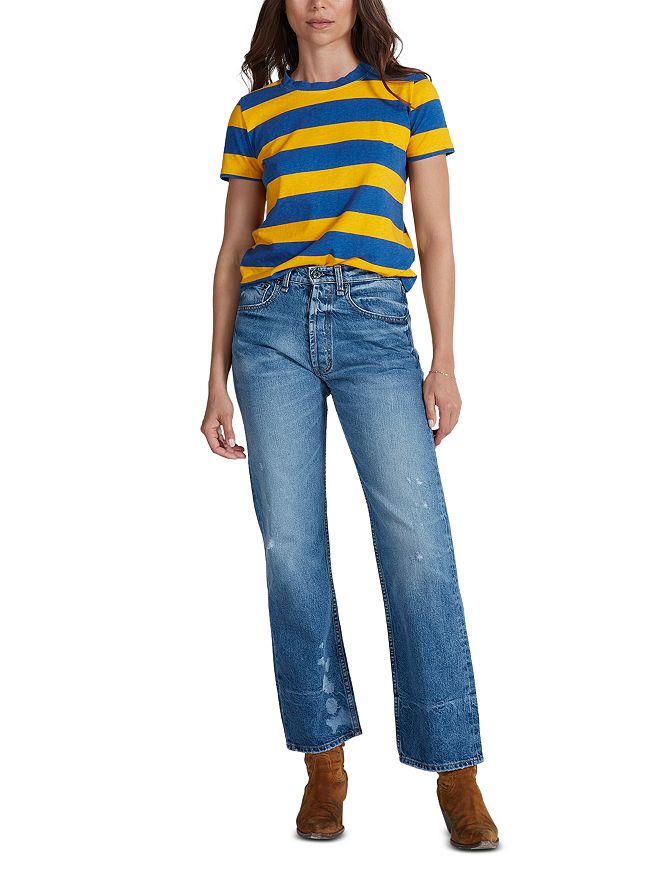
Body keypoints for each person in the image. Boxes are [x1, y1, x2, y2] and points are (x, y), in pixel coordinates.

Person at [201, 0, 499, 850]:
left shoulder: (409, 95)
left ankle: (456, 769)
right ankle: (323, 763)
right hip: (267, 331)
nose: (318, 3)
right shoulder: (255, 113)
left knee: (418, 544)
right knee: (291, 548)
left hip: (374, 324)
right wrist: (214, 378)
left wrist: (445, 360)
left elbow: (435, 235)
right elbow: (231, 251)